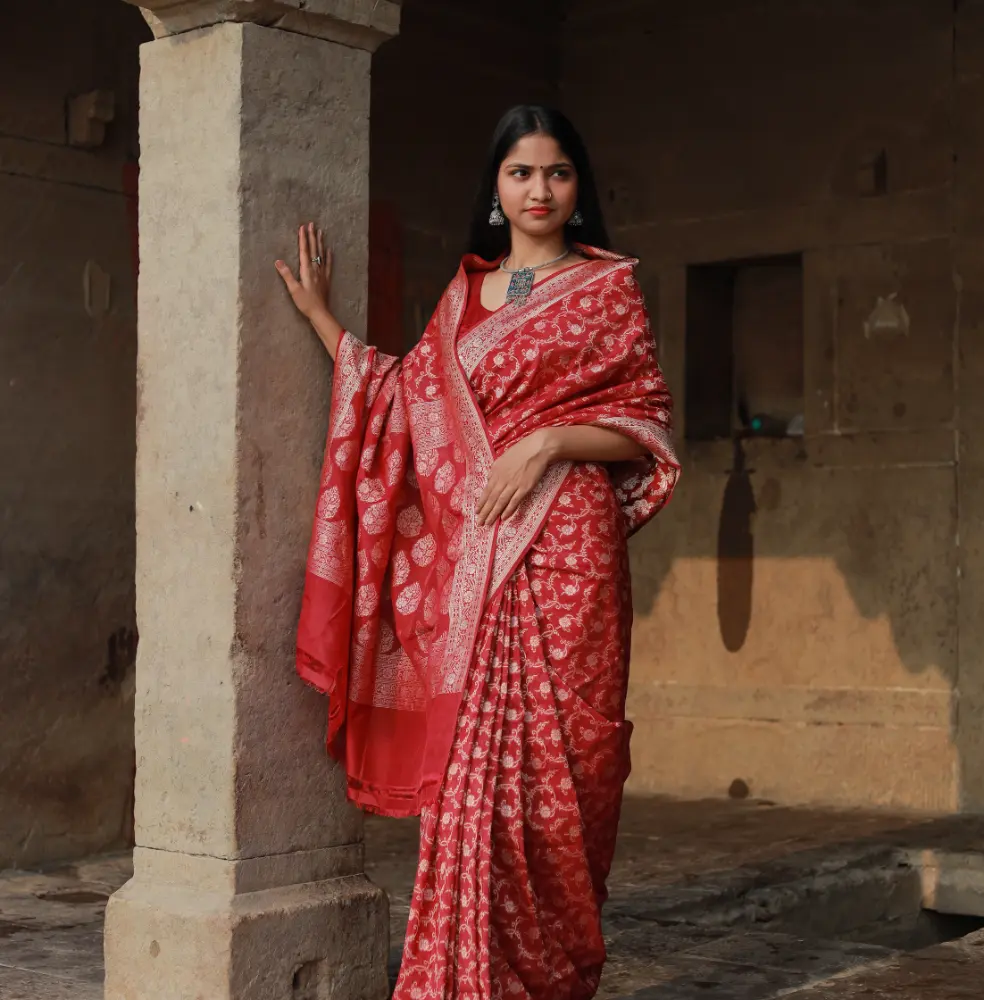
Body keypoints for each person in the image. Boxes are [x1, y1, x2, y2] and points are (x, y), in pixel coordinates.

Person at [275, 105, 680, 1000]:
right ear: (495, 190)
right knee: (472, 782)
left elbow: (647, 426)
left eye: (558, 172)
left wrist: (548, 443)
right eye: (522, 173)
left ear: (580, 188)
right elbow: (402, 406)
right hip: (478, 564)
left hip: (570, 549)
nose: (541, 190)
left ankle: (554, 976)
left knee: (567, 774)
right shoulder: (464, 297)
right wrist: (323, 324)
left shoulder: (607, 290)